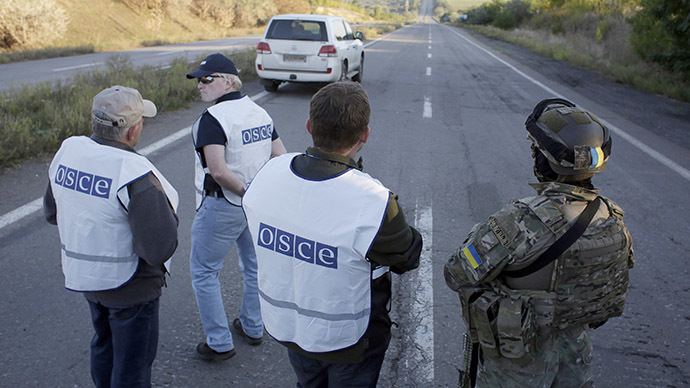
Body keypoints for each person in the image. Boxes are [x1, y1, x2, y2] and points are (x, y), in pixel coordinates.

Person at [242, 81, 423, 387]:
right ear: (364, 134)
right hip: (350, 342)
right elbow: (407, 255)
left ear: (310, 126)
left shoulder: (268, 173)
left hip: (289, 327)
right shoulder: (372, 200)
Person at [444, 98, 635, 388]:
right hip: (576, 357)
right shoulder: (612, 217)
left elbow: (456, 272)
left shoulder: (522, 220)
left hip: (518, 361)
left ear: (543, 160)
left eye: (537, 150)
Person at [43, 85, 179, 388]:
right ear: (132, 131)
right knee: (132, 368)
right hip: (132, 288)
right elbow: (158, 247)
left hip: (88, 279)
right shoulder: (134, 173)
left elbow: (53, 212)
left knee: (104, 346)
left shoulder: (69, 152)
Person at [186, 53, 287, 360]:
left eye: (206, 79)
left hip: (223, 205)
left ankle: (219, 342)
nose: (200, 86)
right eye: (198, 80)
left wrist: (246, 192)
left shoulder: (213, 119)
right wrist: (259, 196)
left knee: (204, 271)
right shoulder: (259, 113)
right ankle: (253, 326)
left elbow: (217, 171)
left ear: (227, 81)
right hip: (253, 209)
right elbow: (280, 158)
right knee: (254, 267)